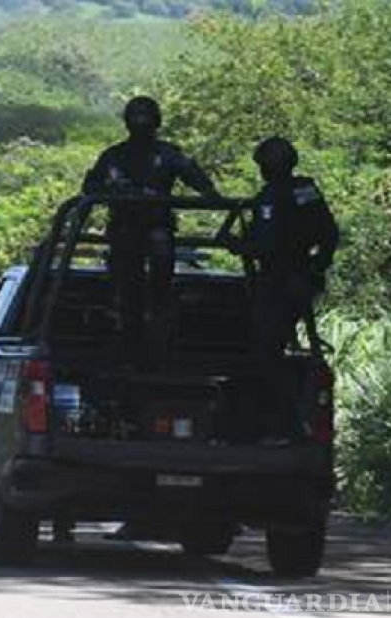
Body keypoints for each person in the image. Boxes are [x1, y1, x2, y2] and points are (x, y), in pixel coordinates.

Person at [83, 96, 220, 364]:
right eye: (136, 118)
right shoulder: (113, 156)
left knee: (158, 284)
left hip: (157, 229)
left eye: (145, 118)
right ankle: (130, 336)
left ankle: (155, 333)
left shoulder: (167, 154)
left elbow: (195, 176)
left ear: (155, 122)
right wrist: (115, 191)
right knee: (127, 290)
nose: (141, 123)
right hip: (124, 231)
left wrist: (210, 193)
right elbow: (90, 187)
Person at [223, 136, 339, 437]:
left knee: (265, 354)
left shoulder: (272, 197)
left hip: (280, 283)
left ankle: (287, 424)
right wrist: (317, 264)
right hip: (300, 279)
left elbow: (268, 246)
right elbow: (329, 234)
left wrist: (236, 245)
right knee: (271, 349)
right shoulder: (306, 190)